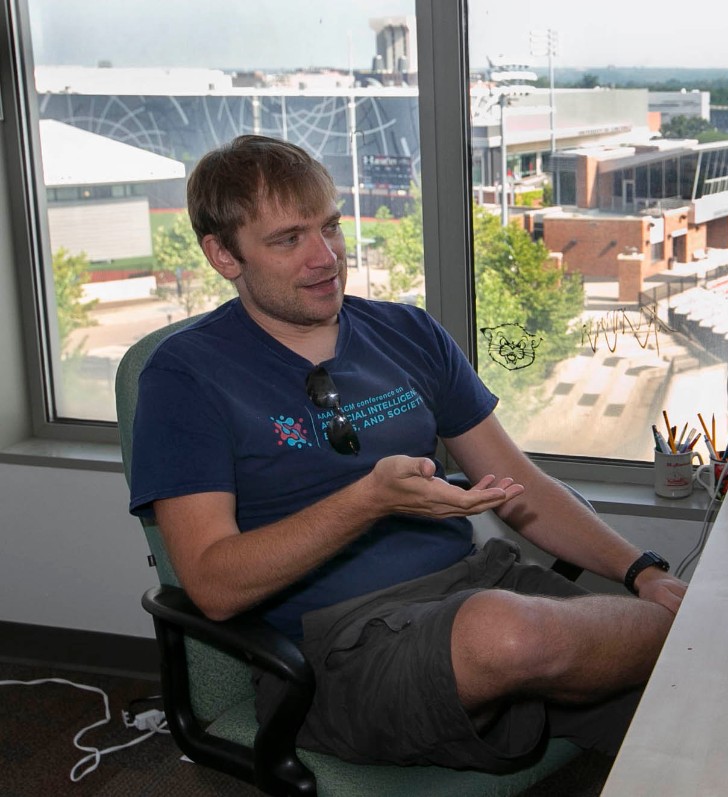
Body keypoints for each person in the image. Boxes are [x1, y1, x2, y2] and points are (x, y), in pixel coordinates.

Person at [128, 134, 686, 772]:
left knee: (710, 683)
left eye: (331, 227)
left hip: (478, 591)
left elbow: (519, 486)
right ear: (223, 254)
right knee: (509, 634)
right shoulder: (185, 377)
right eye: (289, 239)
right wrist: (367, 501)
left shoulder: (408, 333)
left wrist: (645, 571)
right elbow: (214, 586)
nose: (326, 258)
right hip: (337, 650)